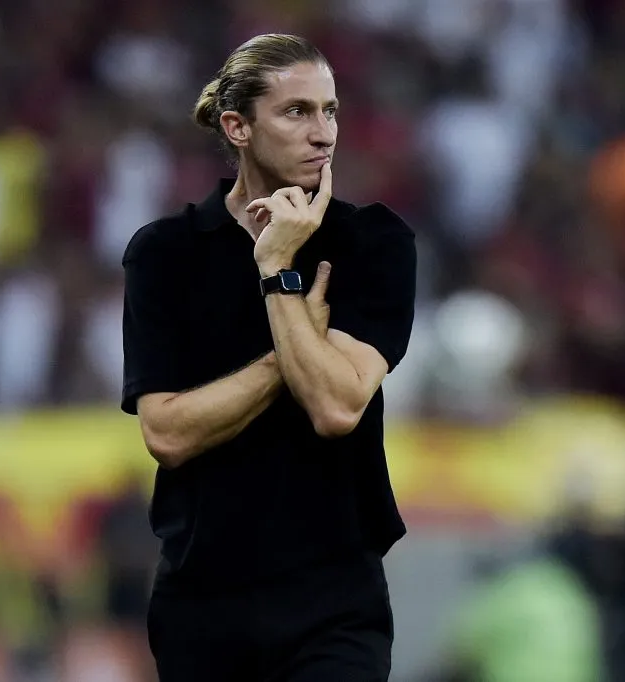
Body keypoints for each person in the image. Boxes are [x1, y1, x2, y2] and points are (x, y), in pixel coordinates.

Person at [121, 34, 416, 681]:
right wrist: (294, 347)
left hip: (334, 600)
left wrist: (278, 269)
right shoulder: (165, 253)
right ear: (238, 126)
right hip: (203, 600)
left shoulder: (373, 242)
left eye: (331, 110)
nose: (324, 133)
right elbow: (166, 432)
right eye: (297, 112)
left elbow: (337, 405)